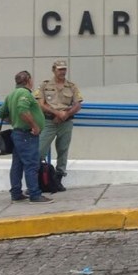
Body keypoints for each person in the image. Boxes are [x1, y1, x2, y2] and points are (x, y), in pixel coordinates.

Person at [0, 71, 52, 204]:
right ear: (28, 80)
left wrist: (14, 121)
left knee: (17, 164)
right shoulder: (24, 94)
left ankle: (16, 193)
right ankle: (35, 195)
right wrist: (34, 126)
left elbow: (1, 113)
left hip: (17, 134)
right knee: (31, 164)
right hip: (27, 135)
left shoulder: (11, 95)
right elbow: (22, 110)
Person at [36, 59, 83, 191]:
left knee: (63, 150)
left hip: (65, 123)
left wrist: (65, 115)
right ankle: (38, 181)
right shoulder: (45, 85)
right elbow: (40, 104)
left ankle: (58, 179)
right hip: (49, 122)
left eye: (64, 69)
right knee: (40, 150)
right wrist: (57, 113)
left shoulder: (72, 86)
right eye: (60, 69)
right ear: (54, 70)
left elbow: (78, 105)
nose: (63, 72)